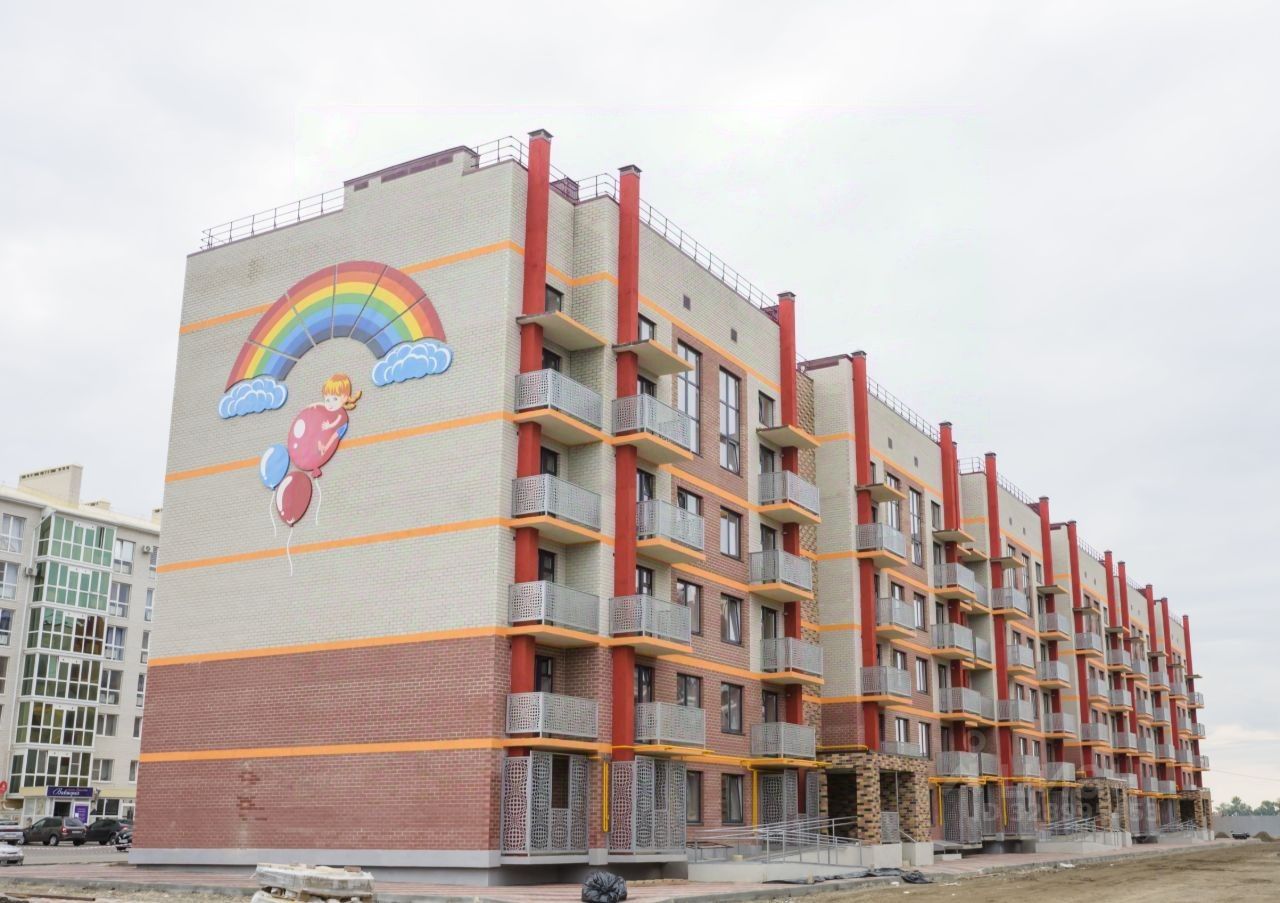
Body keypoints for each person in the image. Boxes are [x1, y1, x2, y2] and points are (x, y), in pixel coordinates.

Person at [287, 374, 360, 477]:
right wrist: (314, 405)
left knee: (334, 436)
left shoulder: (340, 412)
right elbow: (322, 405)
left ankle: (325, 447)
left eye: (335, 399)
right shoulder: (328, 408)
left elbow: (338, 421)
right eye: (327, 400)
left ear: (344, 397)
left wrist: (329, 426)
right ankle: (322, 451)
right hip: (332, 427)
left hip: (340, 427)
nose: (330, 403)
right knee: (331, 435)